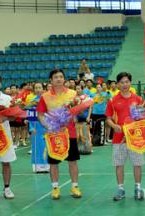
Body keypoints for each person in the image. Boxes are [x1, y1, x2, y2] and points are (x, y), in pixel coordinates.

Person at [37, 69, 82, 200]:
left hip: (70, 133)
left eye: (61, 77)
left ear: (64, 79)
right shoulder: (45, 96)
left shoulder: (73, 94)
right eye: (56, 77)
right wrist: (48, 126)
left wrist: (75, 116)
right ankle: (55, 188)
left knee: (72, 161)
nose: (59, 79)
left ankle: (75, 186)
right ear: (51, 80)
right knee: (54, 163)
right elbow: (40, 115)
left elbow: (76, 111)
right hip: (54, 134)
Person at [105, 72, 145, 201]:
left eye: (127, 82)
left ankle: (138, 188)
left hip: (135, 138)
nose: (124, 84)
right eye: (122, 82)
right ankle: (121, 189)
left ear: (130, 83)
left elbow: (142, 117)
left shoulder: (138, 99)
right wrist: (114, 126)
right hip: (118, 138)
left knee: (137, 164)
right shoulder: (112, 100)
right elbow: (108, 118)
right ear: (117, 84)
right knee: (119, 164)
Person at [28, 82, 49, 173]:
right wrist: (31, 128)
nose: (38, 89)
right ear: (34, 90)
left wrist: (49, 126)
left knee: (46, 146)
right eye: (36, 88)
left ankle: (47, 165)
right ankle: (37, 166)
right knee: (36, 146)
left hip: (45, 126)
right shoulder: (31, 102)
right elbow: (30, 116)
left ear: (43, 89)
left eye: (39, 87)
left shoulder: (47, 100)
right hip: (36, 127)